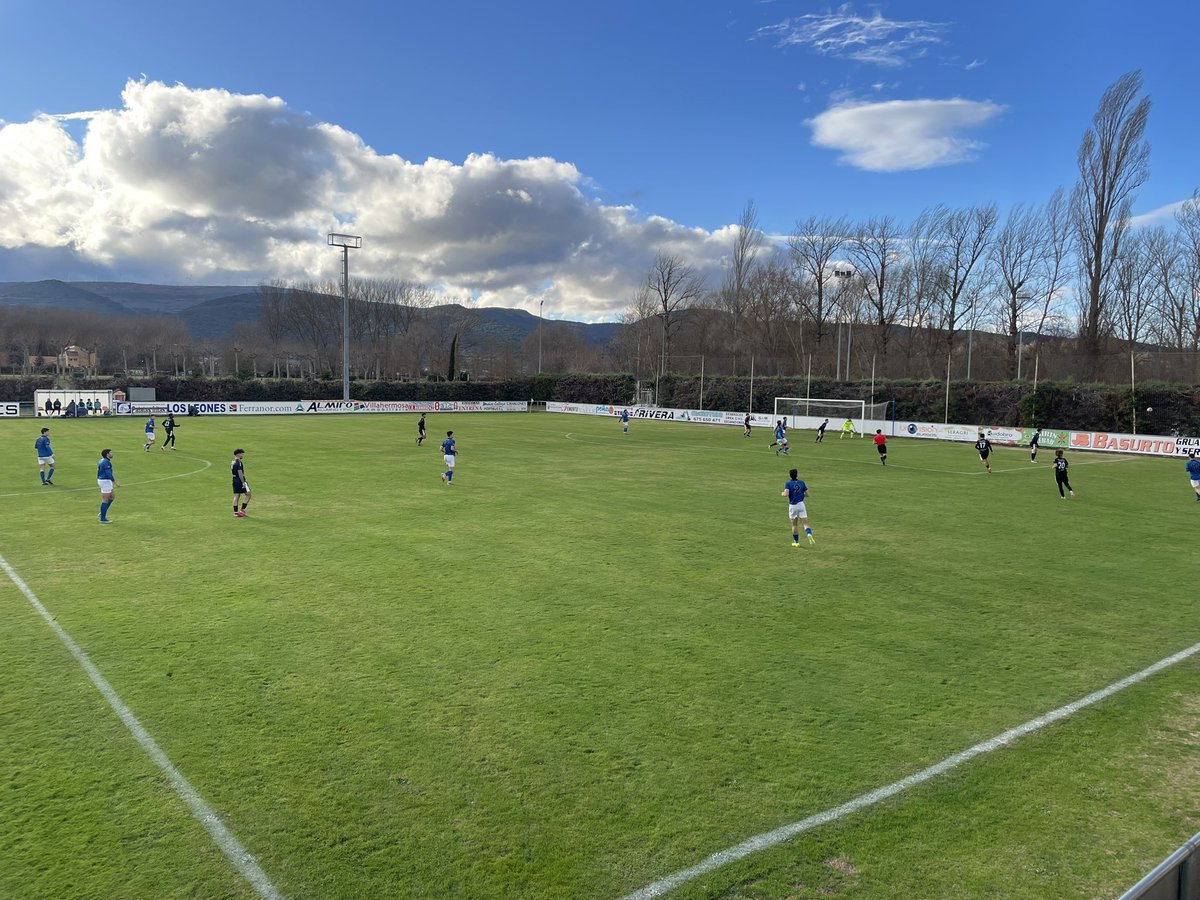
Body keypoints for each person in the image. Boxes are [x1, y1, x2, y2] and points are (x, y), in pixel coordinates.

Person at [781, 468, 815, 546]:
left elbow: (786, 494)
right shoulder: (801, 482)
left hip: (793, 506)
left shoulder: (788, 483)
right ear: (797, 475)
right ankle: (809, 534)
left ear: (790, 475)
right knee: (805, 524)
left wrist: (782, 493)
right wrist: (800, 494)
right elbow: (807, 494)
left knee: (794, 525)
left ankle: (796, 542)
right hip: (801, 504)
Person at [97, 449, 119, 524]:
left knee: (112, 497)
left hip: (104, 480)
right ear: (107, 454)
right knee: (105, 499)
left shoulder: (102, 460)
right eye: (110, 452)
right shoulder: (106, 462)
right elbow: (108, 473)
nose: (112, 454)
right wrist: (115, 482)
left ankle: (103, 512)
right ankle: (102, 518)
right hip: (105, 481)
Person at [231, 448, 251, 517]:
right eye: (242, 454)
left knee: (236, 496)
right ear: (238, 454)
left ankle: (235, 512)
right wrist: (243, 482)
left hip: (234, 479)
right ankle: (242, 511)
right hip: (239, 480)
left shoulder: (233, 461)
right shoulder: (239, 462)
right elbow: (240, 473)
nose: (243, 455)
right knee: (248, 494)